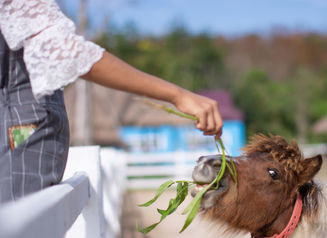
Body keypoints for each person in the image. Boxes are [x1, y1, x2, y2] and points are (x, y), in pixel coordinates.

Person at [0, 0, 223, 204]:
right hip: (19, 136)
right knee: (24, 237)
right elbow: (66, 51)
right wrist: (178, 95)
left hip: (23, 137)